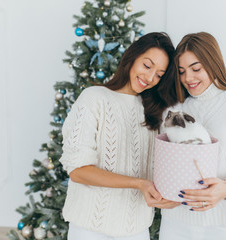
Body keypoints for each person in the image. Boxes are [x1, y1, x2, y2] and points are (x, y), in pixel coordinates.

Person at [59, 32, 179, 240]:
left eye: (159, 74)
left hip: (137, 229)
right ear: (132, 58)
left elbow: (163, 168)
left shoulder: (156, 112)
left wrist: (172, 195)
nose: (150, 78)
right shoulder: (94, 98)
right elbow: (78, 170)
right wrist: (138, 183)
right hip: (90, 229)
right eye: (147, 66)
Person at [159, 32, 226, 240]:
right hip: (174, 223)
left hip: (222, 224)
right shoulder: (173, 111)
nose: (188, 78)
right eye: (181, 71)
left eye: (196, 68)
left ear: (213, 62)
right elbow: (165, 163)